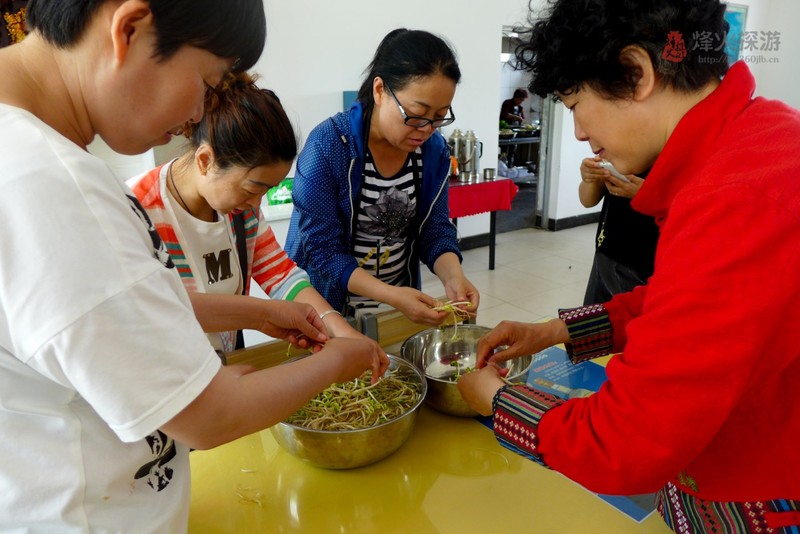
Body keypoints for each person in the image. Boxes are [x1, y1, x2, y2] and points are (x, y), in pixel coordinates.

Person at [0, 1, 387, 530]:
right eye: (208, 82)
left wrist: (258, 313)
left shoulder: (34, 162)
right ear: (130, 29)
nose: (198, 114)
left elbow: (124, 310)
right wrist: (338, 362)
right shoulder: (52, 186)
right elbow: (211, 417)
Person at [457, 0, 800, 532]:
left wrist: (498, 401)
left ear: (637, 72)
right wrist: (552, 332)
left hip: (757, 497)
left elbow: (623, 442)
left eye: (575, 104)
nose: (577, 132)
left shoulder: (735, 198)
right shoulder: (760, 137)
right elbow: (677, 305)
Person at [128, 71, 374, 353]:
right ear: (205, 160)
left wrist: (340, 330)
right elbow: (151, 311)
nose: (256, 204)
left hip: (225, 361)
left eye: (266, 190)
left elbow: (282, 276)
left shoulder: (241, 210)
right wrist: (263, 315)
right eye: (252, 188)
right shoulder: (139, 209)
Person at [285, 28, 479, 327]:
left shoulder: (433, 151)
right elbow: (322, 250)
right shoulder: (330, 145)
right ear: (379, 90)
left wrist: (454, 278)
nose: (426, 129)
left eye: (439, 117)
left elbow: (435, 229)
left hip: (396, 306)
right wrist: (391, 295)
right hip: (327, 309)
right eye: (417, 113)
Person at [579, 156, 659, 304]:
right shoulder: (616, 154)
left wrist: (648, 195)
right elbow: (587, 200)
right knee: (599, 314)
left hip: (648, 263)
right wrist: (590, 178)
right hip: (607, 254)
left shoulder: (676, 160)